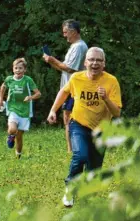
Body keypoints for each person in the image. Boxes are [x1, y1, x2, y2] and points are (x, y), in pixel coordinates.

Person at [47, 47, 122, 207]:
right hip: (79, 124)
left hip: (101, 130)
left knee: (94, 169)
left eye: (99, 60)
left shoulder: (111, 81)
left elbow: (117, 113)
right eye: (92, 60)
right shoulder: (76, 78)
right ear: (85, 62)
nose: (95, 63)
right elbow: (64, 92)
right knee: (80, 156)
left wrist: (106, 98)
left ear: (104, 64)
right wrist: (53, 110)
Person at [43, 19, 88, 153]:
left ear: (73, 32)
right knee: (67, 118)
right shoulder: (75, 47)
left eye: (65, 32)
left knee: (70, 119)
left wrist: (52, 59)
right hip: (69, 88)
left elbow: (69, 69)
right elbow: (63, 68)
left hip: (74, 89)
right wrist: (51, 61)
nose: (64, 35)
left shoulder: (79, 47)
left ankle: (73, 150)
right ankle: (71, 149)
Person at [0, 58, 41, 159]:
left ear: (24, 70)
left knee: (19, 136)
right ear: (13, 69)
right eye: (16, 68)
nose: (18, 70)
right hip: (13, 108)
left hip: (25, 111)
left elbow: (38, 94)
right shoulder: (9, 79)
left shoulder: (27, 80)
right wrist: (0, 99)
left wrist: (30, 97)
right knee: (12, 129)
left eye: (20, 68)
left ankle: (18, 156)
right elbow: (3, 87)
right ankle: (10, 136)